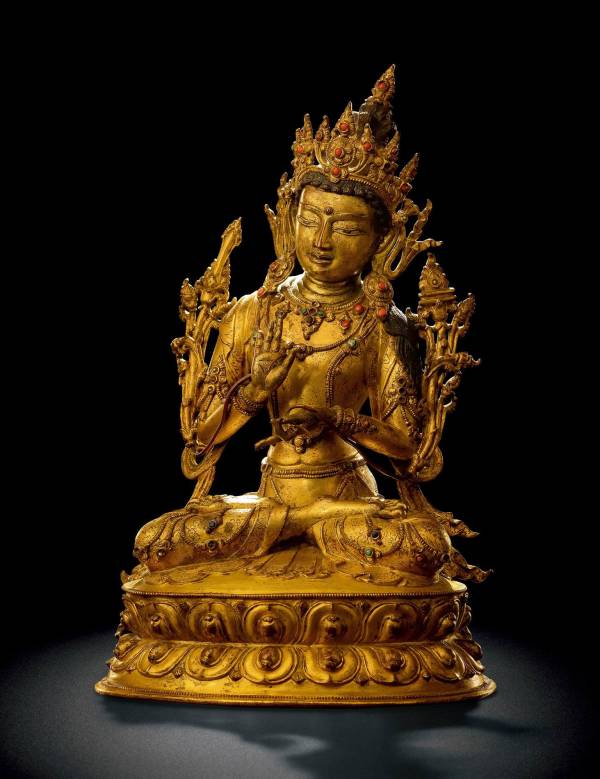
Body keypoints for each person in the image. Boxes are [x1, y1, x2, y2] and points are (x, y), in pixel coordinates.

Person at [132, 66, 458, 587]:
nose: (322, 241)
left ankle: (303, 523)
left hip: (350, 500)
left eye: (345, 227)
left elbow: (408, 443)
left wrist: (337, 418)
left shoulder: (384, 325)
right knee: (157, 542)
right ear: (290, 220)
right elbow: (200, 435)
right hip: (270, 496)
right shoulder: (254, 310)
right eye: (310, 220)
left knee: (422, 549)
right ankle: (304, 522)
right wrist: (254, 392)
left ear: (379, 241)